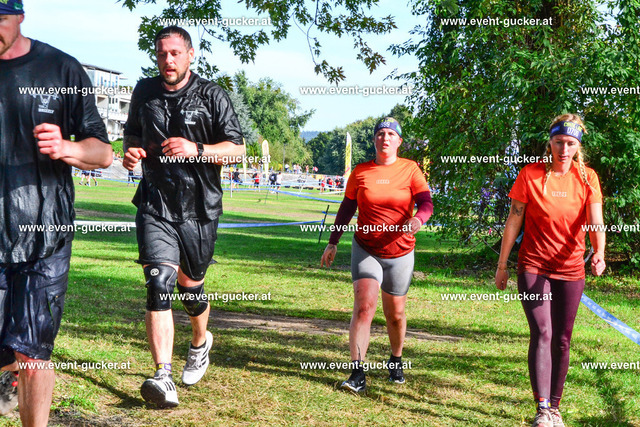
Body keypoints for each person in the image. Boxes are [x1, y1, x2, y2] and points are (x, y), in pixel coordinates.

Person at [0, 2, 113, 424]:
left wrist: (67, 147)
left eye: (0, 19)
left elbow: (103, 153)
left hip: (44, 235)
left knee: (33, 352)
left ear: (20, 16)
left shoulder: (61, 70)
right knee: (10, 351)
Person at [122, 26, 244, 408]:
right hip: (155, 203)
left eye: (175, 53)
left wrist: (197, 149)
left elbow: (237, 150)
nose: (168, 60)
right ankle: (163, 376)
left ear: (191, 55)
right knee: (159, 282)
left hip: (199, 209)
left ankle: (200, 341)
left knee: (191, 291)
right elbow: (132, 135)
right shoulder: (144, 91)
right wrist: (131, 153)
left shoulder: (212, 95)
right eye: (162, 54)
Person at [495, 114, 606, 427]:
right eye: (559, 142)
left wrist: (599, 252)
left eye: (570, 143)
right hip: (533, 265)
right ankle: (542, 409)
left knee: (562, 339)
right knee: (542, 332)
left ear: (578, 146)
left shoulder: (588, 179)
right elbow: (514, 219)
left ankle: (555, 407)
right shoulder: (530, 175)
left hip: (571, 268)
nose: (564, 149)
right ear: (550, 142)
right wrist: (502, 264)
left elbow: (595, 220)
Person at [320, 117, 433, 393]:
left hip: (400, 250)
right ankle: (357, 373)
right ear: (374, 140)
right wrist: (333, 242)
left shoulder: (411, 169)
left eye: (391, 134)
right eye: (380, 133)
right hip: (366, 248)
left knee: (395, 314)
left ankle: (396, 360)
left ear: (399, 141)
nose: (385, 138)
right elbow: (347, 208)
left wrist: (418, 219)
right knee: (364, 306)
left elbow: (426, 203)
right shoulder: (361, 172)